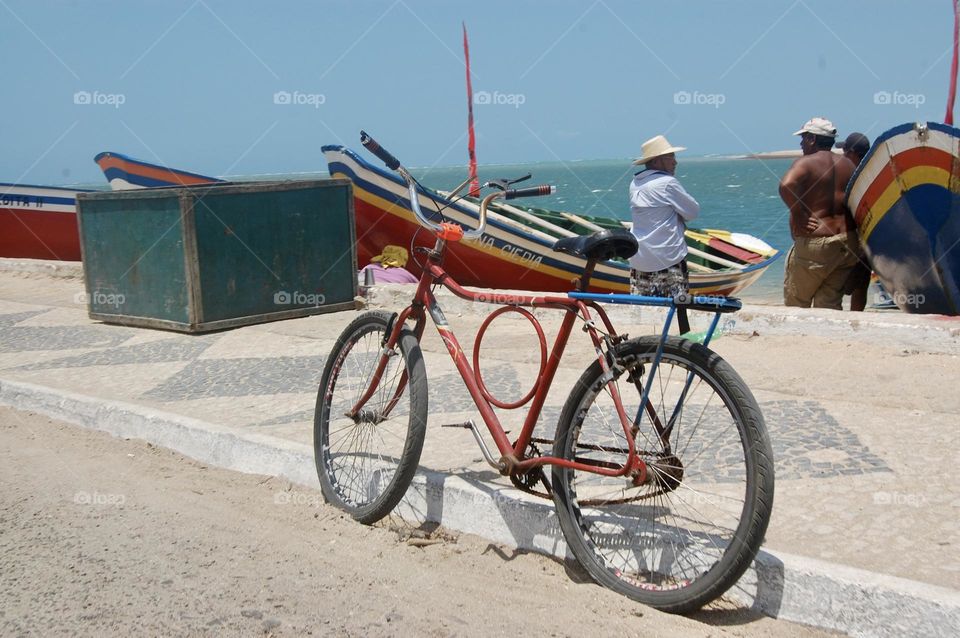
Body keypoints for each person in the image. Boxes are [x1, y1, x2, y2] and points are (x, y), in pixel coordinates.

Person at [779, 117, 859, 309]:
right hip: (846, 241)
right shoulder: (848, 165)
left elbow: (786, 185)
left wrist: (797, 213)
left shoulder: (806, 163)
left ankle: (798, 338)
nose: (801, 143)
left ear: (813, 139)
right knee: (829, 303)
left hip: (817, 243)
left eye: (804, 138)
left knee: (797, 301)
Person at [628, 135, 700, 298]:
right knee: (677, 309)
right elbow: (693, 212)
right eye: (671, 157)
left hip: (639, 258)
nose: (675, 162)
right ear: (656, 161)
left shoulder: (635, 183)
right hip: (668, 258)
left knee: (644, 310)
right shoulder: (667, 182)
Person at [836, 132, 872, 311]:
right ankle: (856, 316)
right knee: (861, 285)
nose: (842, 155)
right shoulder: (872, 174)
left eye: (844, 151)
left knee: (838, 285)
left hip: (852, 239)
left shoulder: (851, 175)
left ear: (853, 153)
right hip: (868, 241)